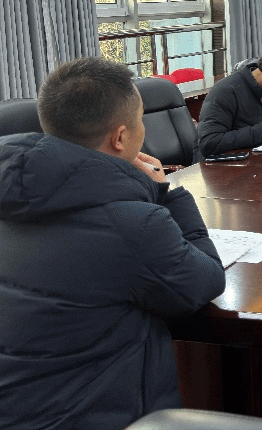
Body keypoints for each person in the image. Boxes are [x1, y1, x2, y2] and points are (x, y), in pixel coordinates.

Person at [0, 57, 226, 429]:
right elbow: (204, 282)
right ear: (121, 137)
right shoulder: (133, 225)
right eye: (141, 120)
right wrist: (165, 193)